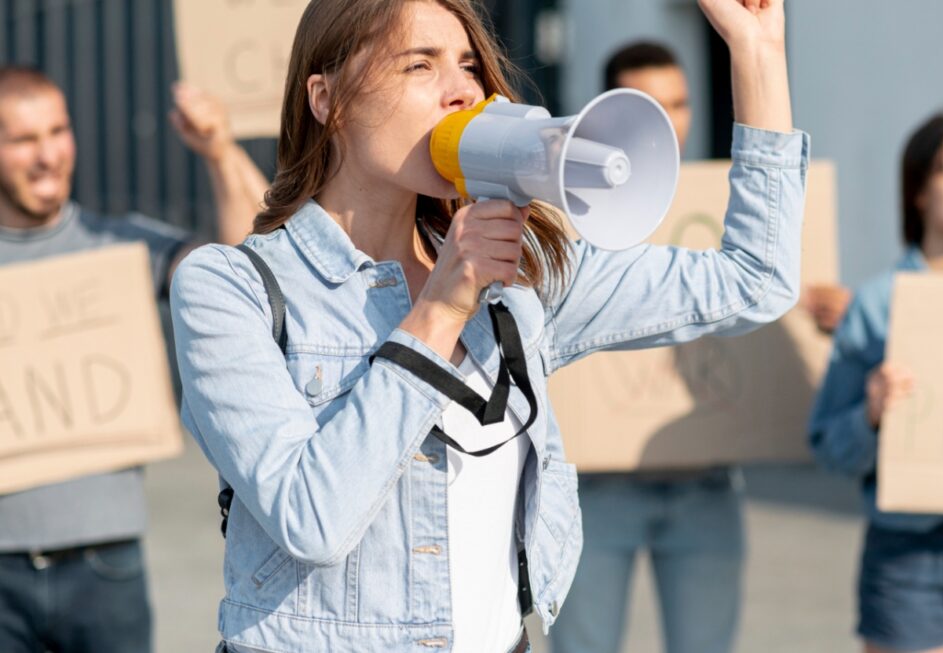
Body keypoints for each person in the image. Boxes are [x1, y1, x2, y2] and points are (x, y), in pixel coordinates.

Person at [169, 0, 806, 651]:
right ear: (326, 97)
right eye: (420, 64)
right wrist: (441, 306)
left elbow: (756, 278)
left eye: (470, 66)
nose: (463, 91)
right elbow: (313, 517)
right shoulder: (232, 288)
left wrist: (757, 53)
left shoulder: (519, 275)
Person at [0, 67, 267, 653]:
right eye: (23, 140)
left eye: (58, 131)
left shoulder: (124, 246)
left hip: (106, 566)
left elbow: (248, 271)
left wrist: (220, 152)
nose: (48, 155)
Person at [550, 40, 746, 653]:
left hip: (706, 479)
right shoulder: (562, 212)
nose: (672, 118)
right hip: (597, 486)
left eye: (681, 102)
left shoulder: (724, 211)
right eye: (652, 103)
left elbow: (755, 298)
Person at [809, 112, 943, 653]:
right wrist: (871, 414)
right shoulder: (880, 305)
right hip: (910, 551)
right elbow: (830, 448)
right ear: (921, 190)